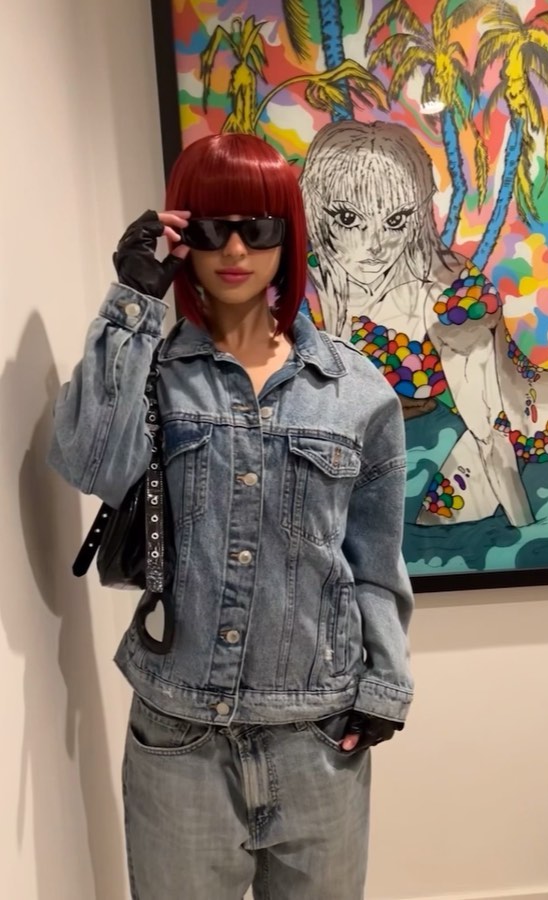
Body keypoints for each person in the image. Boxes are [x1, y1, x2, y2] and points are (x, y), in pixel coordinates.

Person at [48, 133, 414, 900]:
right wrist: (132, 301)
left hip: (319, 740)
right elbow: (89, 463)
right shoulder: (152, 372)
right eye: (213, 227)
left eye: (260, 226)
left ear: (291, 234)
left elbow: (374, 565)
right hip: (178, 738)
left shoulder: (358, 392)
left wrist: (384, 683)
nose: (237, 249)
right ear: (183, 235)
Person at [300, 120, 548, 529]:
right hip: (431, 447)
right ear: (317, 207)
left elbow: (490, 430)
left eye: (396, 220)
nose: (374, 244)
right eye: (348, 218)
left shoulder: (451, 291)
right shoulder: (307, 288)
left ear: (418, 213)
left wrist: (522, 532)